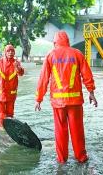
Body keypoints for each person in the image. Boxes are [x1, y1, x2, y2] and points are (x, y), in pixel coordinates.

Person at [35, 31, 97, 164]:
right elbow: (87, 75)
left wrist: (39, 99)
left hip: (58, 102)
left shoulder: (50, 56)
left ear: (55, 42)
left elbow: (43, 79)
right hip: (75, 101)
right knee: (77, 131)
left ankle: (62, 159)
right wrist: (91, 92)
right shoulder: (77, 53)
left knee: (60, 132)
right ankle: (81, 157)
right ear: (68, 41)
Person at [0, 44, 24, 129]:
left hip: (11, 94)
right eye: (8, 51)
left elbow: (21, 73)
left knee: (10, 113)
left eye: (12, 51)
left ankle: (10, 129)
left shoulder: (16, 62)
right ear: (5, 52)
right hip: (0, 94)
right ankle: (2, 129)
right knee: (1, 113)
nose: (10, 53)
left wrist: (18, 68)